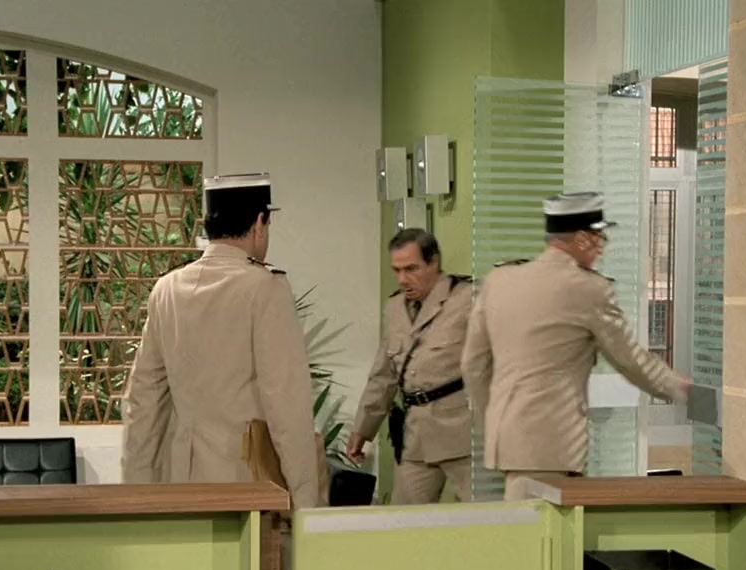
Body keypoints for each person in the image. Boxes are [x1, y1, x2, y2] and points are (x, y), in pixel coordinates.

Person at [461, 191, 690, 500]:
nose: (601, 248)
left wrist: (494, 421)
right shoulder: (587, 288)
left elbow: (473, 364)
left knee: (522, 523)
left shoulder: (499, 281)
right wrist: (682, 391)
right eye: (599, 238)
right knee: (543, 529)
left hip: (509, 442)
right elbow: (630, 360)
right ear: (582, 239)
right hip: (551, 444)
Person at [122, 172, 321, 509]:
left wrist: (136, 488)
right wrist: (305, 498)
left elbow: (143, 398)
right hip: (246, 481)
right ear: (259, 224)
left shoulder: (167, 289)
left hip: (179, 479)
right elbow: (287, 403)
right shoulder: (265, 288)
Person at [348, 228, 473, 504]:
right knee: (403, 519)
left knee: (487, 517)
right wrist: (363, 429)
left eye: (411, 269)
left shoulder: (466, 300)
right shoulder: (395, 308)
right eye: (397, 270)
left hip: (462, 433)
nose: (403, 279)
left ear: (434, 262)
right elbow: (383, 375)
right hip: (417, 435)